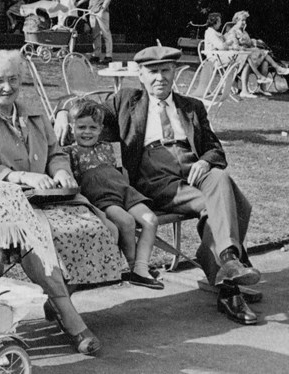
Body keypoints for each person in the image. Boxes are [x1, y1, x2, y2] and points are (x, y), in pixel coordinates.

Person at [54, 45, 263, 326]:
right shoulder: (126, 101)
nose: (160, 78)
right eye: (152, 72)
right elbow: (80, 103)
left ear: (175, 72)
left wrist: (206, 161)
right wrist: (62, 112)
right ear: (140, 74)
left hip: (193, 170)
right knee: (233, 204)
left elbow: (214, 149)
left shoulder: (192, 107)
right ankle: (229, 283)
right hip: (155, 176)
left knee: (221, 179)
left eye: (166, 70)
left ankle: (226, 260)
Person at [0, 49, 123, 355]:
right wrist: (24, 176)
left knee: (105, 230)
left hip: (50, 199)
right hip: (5, 205)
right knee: (41, 241)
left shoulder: (33, 114)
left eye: (13, 79)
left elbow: (55, 153)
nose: (7, 87)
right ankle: (74, 322)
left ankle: (58, 301)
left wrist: (60, 171)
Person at [64, 99, 163, 289]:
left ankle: (141, 267)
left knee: (150, 219)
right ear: (71, 127)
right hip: (102, 197)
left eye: (92, 127)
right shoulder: (70, 152)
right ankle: (136, 269)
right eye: (81, 127)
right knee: (126, 221)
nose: (87, 132)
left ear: (101, 128)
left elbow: (120, 172)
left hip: (124, 191)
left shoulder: (107, 147)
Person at [225, 10, 289, 98]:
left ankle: (263, 88)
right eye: (242, 20)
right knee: (259, 54)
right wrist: (246, 48)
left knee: (265, 62)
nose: (244, 22)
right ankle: (277, 69)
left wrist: (255, 42)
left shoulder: (244, 32)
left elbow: (249, 42)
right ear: (236, 20)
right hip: (238, 58)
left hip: (248, 55)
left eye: (245, 20)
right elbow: (235, 46)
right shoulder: (233, 32)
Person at [77, 0, 112, 64]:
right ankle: (96, 54)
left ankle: (108, 56)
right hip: (92, 11)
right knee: (95, 35)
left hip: (101, 11)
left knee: (106, 34)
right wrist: (79, 2)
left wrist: (102, 9)